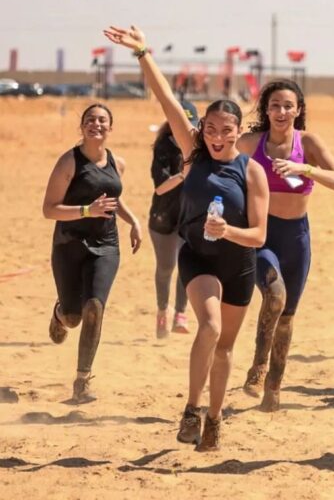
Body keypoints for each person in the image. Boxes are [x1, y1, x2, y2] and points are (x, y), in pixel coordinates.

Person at [102, 24, 269, 452]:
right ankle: (192, 409)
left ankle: (215, 417)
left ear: (237, 131)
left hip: (239, 266)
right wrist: (143, 53)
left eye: (225, 130)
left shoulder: (251, 171)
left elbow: (259, 235)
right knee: (208, 326)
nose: (216, 137)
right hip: (198, 258)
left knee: (226, 347)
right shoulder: (193, 153)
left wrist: (228, 229)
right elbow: (167, 100)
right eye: (210, 128)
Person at [238, 80, 334, 411]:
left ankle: (274, 386)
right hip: (263, 235)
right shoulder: (249, 144)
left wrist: (304, 168)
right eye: (275, 105)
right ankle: (258, 366)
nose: (281, 112)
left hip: (297, 238)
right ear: (265, 110)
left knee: (287, 316)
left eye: (288, 106)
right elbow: (218, 164)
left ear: (298, 110)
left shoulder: (308, 142)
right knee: (274, 296)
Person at [42, 103, 142, 403]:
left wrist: (134, 221)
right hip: (69, 244)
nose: (96, 124)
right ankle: (60, 313)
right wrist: (87, 210)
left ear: (110, 128)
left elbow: (113, 200)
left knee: (95, 307)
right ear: (82, 126)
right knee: (74, 316)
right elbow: (49, 209)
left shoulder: (117, 162)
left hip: (106, 245)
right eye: (90, 120)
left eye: (102, 121)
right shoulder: (68, 162)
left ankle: (82, 381)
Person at [149, 102, 200, 337]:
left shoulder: (200, 147)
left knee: (186, 265)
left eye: (190, 122)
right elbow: (160, 188)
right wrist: (183, 174)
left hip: (188, 217)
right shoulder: (163, 147)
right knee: (166, 266)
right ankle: (162, 311)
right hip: (164, 217)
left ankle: (181, 313)